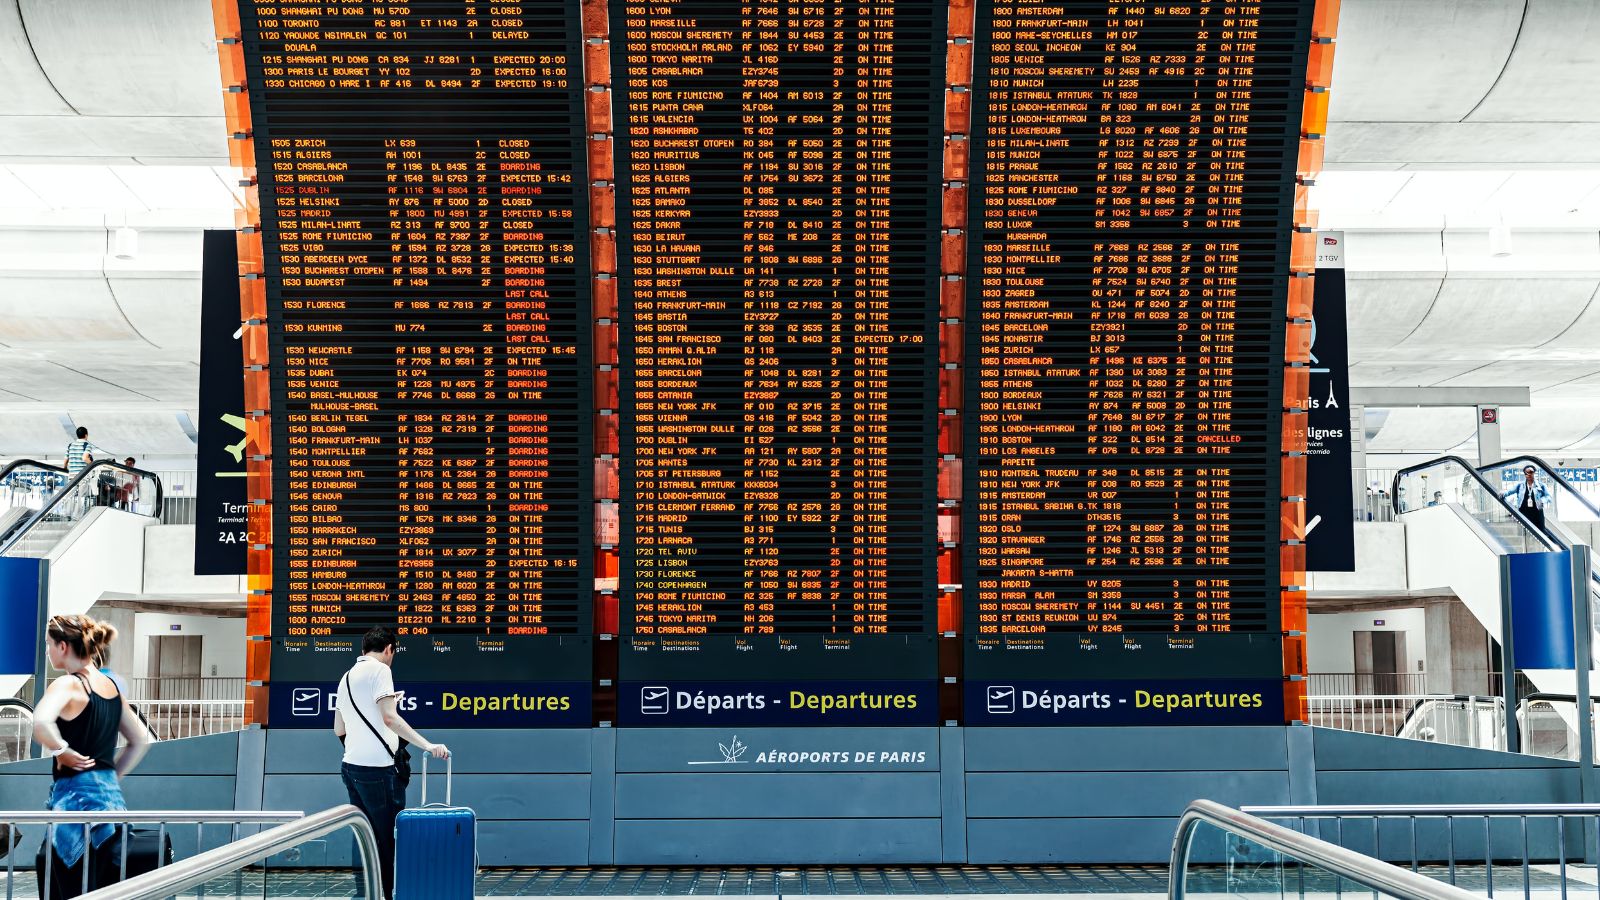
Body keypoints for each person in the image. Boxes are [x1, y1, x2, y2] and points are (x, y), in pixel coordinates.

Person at [32, 615, 153, 898]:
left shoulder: (68, 684)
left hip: (74, 809)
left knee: (70, 889)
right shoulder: (110, 686)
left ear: (63, 646)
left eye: (49, 644)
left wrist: (61, 750)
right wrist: (108, 777)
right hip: (111, 809)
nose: (47, 651)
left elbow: (40, 722)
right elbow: (140, 740)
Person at [333, 627, 449, 899]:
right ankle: (388, 895)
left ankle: (368, 892)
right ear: (389, 649)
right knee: (388, 840)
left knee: (365, 835)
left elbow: (339, 728)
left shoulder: (346, 677)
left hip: (350, 768)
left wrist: (361, 746)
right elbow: (389, 718)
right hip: (378, 771)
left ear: (363, 650)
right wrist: (427, 745)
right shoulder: (381, 671)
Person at [1504, 465, 1551, 529]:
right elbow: (1509, 491)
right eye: (1526, 473)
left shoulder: (1541, 485)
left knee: (1539, 530)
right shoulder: (1520, 485)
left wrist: (1542, 500)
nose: (1529, 474)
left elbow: (1548, 497)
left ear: (1534, 473)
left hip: (1537, 513)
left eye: (1531, 472)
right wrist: (1503, 493)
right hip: (1524, 513)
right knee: (1524, 531)